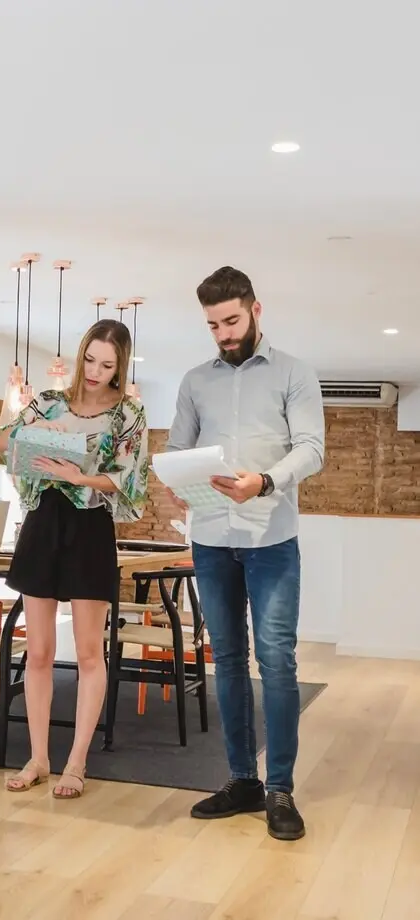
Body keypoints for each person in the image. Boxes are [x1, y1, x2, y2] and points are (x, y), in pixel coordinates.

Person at [164, 265, 324, 841]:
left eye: (231, 320)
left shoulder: (294, 373)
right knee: (227, 660)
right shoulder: (193, 381)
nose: (224, 334)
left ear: (256, 310)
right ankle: (241, 782)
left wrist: (267, 481)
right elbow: (178, 448)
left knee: (276, 661)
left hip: (271, 539)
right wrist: (175, 473)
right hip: (211, 539)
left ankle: (279, 788)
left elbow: (311, 448)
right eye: (213, 325)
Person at [0, 319, 151, 799]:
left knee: (88, 652)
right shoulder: (48, 400)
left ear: (120, 368)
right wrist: (35, 430)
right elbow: (6, 444)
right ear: (81, 354)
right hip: (43, 523)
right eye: (90, 360)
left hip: (89, 529)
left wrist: (78, 475)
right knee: (38, 651)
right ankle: (39, 757)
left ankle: (77, 761)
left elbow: (131, 481)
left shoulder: (128, 414)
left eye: (107, 365)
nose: (95, 371)